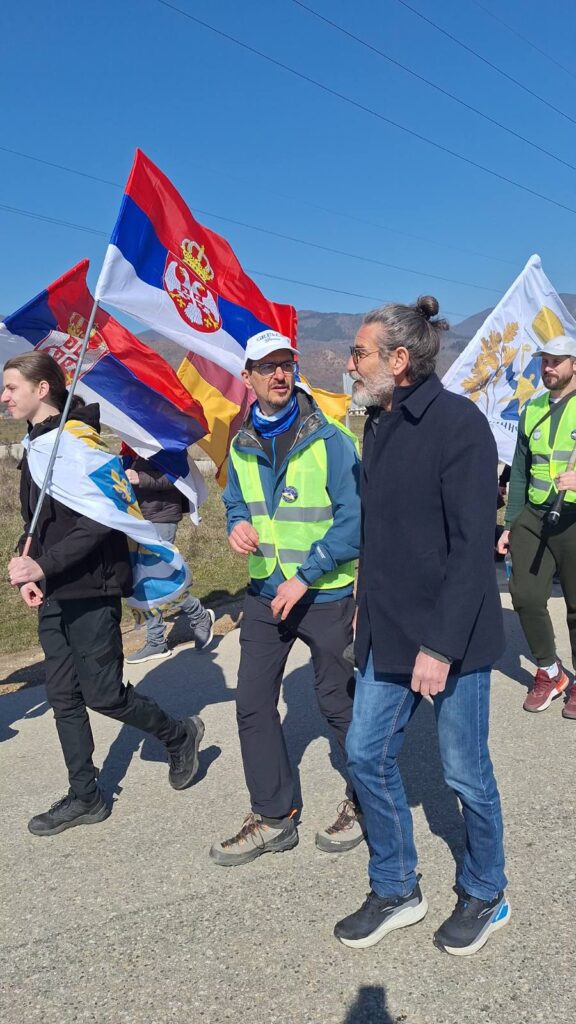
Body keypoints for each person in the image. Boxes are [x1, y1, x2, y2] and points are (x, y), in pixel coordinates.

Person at [334, 297, 509, 957]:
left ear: (399, 360)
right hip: (385, 627)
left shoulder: (458, 425)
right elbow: (381, 531)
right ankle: (397, 887)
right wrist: (361, 599)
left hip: (449, 637)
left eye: (360, 353)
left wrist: (438, 645)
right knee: (365, 753)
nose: (352, 364)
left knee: (465, 773)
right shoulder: (376, 421)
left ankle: (488, 890)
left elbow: (470, 550)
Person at [2, 352, 204, 837]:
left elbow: (99, 522)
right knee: (62, 695)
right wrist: (29, 566)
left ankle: (179, 734)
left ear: (42, 389)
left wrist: (44, 564)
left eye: (11, 387)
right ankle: (86, 796)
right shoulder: (37, 445)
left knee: (104, 694)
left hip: (92, 584)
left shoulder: (78, 446)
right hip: (55, 588)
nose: (4, 396)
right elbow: (41, 522)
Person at [209, 330, 363, 866]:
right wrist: (236, 526)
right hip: (264, 591)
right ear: (248, 377)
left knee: (337, 704)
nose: (280, 374)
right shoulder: (241, 441)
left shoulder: (332, 438)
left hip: (323, 593)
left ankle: (367, 802)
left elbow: (355, 519)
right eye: (268, 366)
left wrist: (309, 573)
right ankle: (274, 817)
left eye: (286, 364)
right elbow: (234, 504)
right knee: (251, 704)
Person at [497, 336, 576, 720]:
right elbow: (521, 469)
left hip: (574, 519)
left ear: (573, 364)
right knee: (525, 595)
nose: (548, 367)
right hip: (535, 515)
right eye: (545, 360)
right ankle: (549, 672)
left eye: (557, 361)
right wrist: (511, 523)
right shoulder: (533, 409)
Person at [122, 452, 215, 664]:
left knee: (158, 578)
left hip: (161, 517)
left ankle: (194, 618)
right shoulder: (131, 441)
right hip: (136, 517)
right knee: (142, 581)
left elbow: (179, 478)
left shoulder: (164, 439)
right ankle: (160, 638)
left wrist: (140, 478)